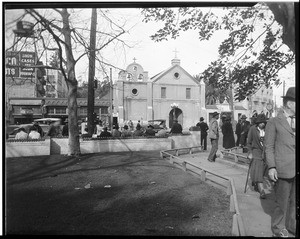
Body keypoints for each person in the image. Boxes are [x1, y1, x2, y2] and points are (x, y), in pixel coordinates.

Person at [264, 87, 296, 237]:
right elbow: (268, 146)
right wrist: (272, 167)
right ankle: (278, 228)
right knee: (282, 202)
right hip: (283, 169)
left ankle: (292, 226)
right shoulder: (274, 121)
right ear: (290, 104)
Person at [246, 113, 268, 199]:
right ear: (258, 123)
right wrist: (250, 153)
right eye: (261, 122)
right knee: (258, 171)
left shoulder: (267, 130)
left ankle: (255, 182)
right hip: (256, 152)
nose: (263, 124)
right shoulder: (253, 129)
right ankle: (262, 190)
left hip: (265, 153)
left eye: (264, 122)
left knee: (263, 171)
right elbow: (249, 143)